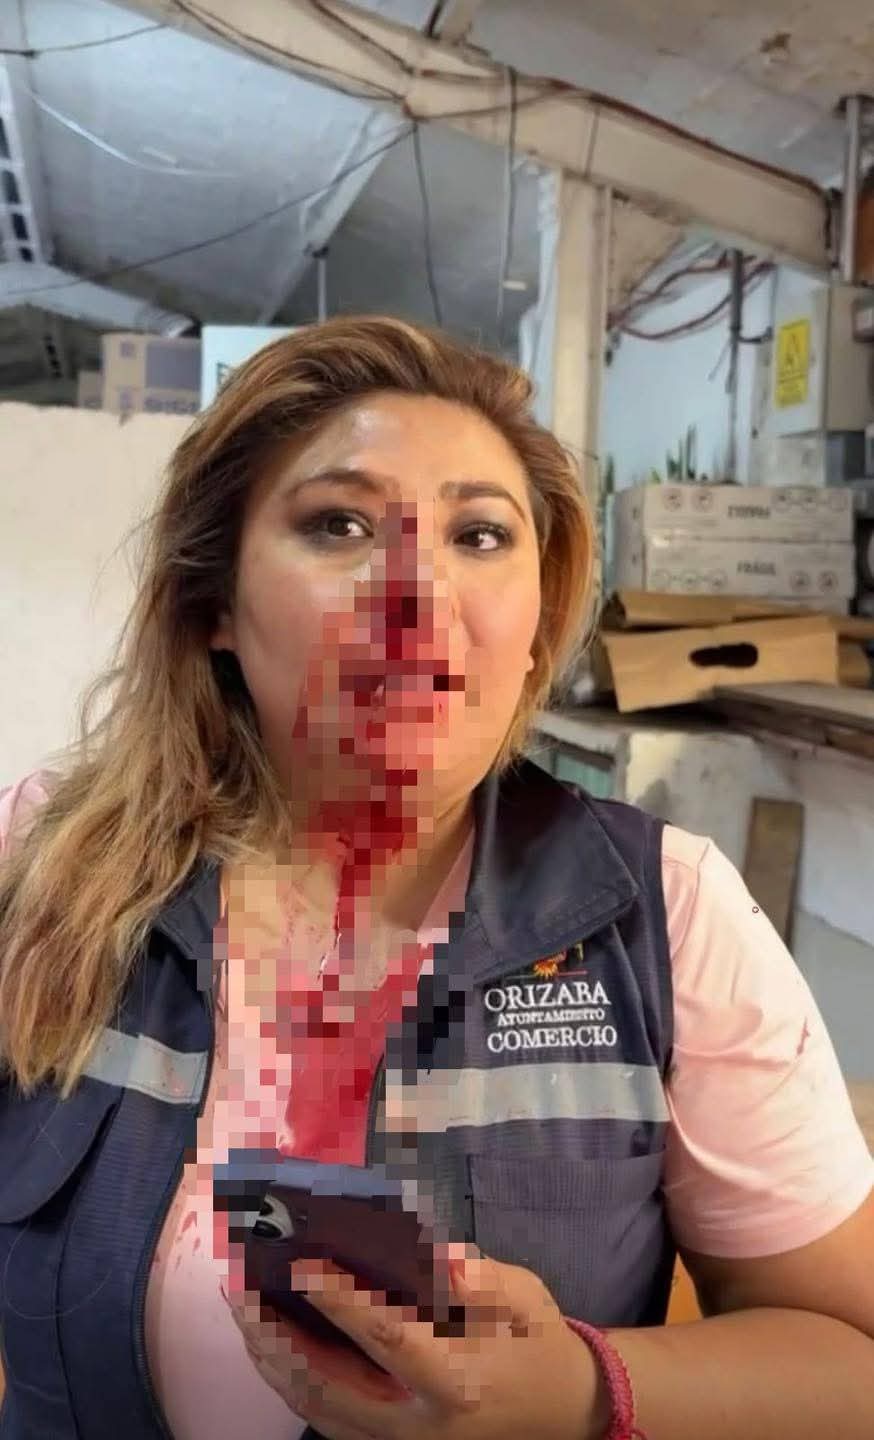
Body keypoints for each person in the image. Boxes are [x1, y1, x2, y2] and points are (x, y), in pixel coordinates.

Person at [0, 316, 873, 1440]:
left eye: (480, 535)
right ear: (213, 602)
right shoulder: (46, 859)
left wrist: (582, 1390)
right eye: (338, 524)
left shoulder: (665, 914)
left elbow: (851, 1357)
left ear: (536, 620)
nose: (416, 592)